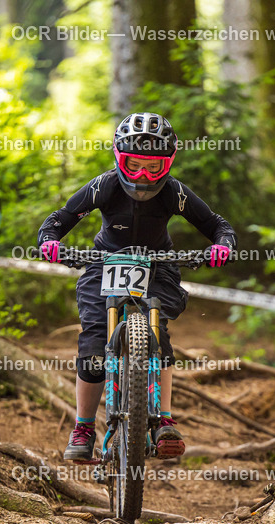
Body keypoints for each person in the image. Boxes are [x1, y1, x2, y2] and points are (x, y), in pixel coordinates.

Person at [38, 113, 236, 463]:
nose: (143, 175)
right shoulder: (104, 186)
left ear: (167, 163)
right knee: (94, 344)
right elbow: (60, 218)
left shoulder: (174, 192)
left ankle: (164, 420)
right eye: (135, 164)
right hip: (105, 262)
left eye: (153, 167)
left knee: (159, 335)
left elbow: (216, 224)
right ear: (119, 158)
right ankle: (83, 427)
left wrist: (222, 245)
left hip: (158, 264)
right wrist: (49, 241)